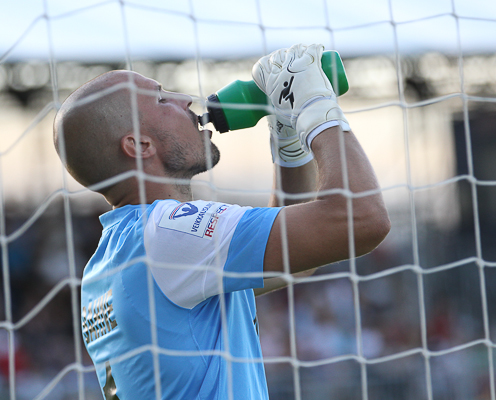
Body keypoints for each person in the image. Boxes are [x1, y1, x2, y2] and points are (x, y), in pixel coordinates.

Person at [53, 44, 390, 400]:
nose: (185, 100)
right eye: (162, 99)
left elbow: (291, 262)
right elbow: (362, 219)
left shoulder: (109, 262)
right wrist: (315, 108)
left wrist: (288, 139)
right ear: (139, 145)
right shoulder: (168, 232)